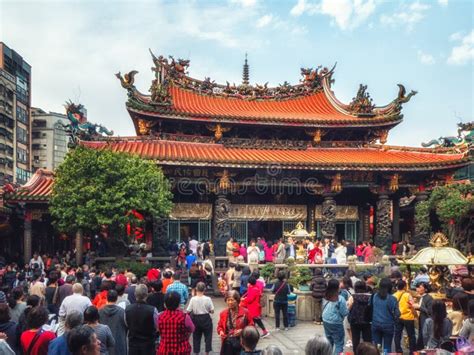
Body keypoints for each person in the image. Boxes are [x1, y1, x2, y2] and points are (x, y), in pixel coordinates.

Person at [217, 290, 254, 355]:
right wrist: (221, 331)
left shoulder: (245, 312)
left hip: (242, 343)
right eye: (228, 300)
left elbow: (252, 327)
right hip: (227, 344)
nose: (230, 302)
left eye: (232, 300)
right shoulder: (223, 313)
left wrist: (243, 331)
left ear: (237, 301)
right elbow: (219, 326)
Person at [125, 284, 157, 355]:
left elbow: (127, 323)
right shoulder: (152, 310)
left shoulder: (127, 309)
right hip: (148, 344)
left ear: (135, 294)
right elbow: (156, 326)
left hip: (133, 344)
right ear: (147, 294)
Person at [370, 277, 400, 354]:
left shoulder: (374, 296)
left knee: (376, 347)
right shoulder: (392, 299)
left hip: (375, 323)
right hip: (388, 325)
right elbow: (397, 314)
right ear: (390, 287)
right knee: (387, 347)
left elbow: (370, 306)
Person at [187, 282, 214, 355]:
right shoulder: (208, 299)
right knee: (208, 336)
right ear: (204, 289)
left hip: (196, 319)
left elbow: (188, 310)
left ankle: (196, 353)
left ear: (196, 289)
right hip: (206, 318)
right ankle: (207, 353)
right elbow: (212, 310)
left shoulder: (193, 299)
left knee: (196, 337)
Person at [322, 279, 348, 354]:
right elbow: (344, 312)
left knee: (329, 340)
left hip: (325, 319)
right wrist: (349, 307)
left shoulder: (325, 295)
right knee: (339, 343)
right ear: (337, 287)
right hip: (335, 322)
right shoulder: (340, 298)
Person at [99, 290, 128, 355]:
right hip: (119, 343)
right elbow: (127, 327)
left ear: (107, 298)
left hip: (104, 344)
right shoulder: (122, 312)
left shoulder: (100, 311)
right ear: (117, 298)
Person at [347, 280, 371, 353]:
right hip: (367, 321)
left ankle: (356, 352)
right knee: (367, 339)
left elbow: (348, 308)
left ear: (355, 288)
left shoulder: (353, 297)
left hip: (355, 321)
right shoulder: (370, 297)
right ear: (365, 287)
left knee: (355, 340)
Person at [393, 279, 417, 354]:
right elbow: (412, 305)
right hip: (408, 317)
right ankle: (412, 351)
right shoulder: (407, 295)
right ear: (404, 287)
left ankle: (398, 350)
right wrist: (415, 314)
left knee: (397, 334)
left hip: (398, 317)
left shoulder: (394, 295)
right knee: (411, 335)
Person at [414, 282, 433, 350]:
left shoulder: (429, 298)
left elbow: (430, 312)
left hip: (426, 321)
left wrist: (419, 307)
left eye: (419, 287)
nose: (417, 289)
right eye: (417, 287)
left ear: (425, 289)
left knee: (423, 337)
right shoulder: (422, 297)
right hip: (422, 320)